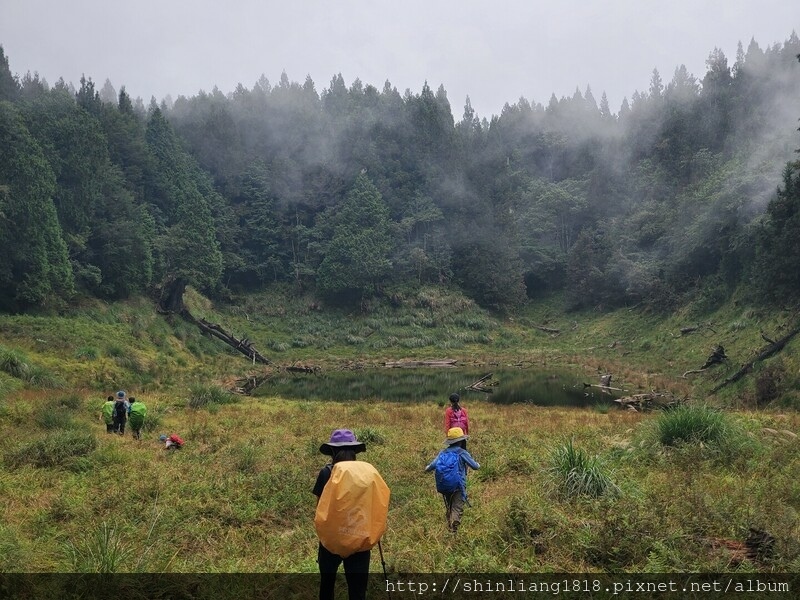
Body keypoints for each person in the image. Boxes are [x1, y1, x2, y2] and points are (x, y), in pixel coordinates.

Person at [312, 429, 370, 600]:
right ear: (355, 452)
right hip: (359, 538)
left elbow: (319, 509)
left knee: (327, 585)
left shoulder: (326, 473)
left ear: (332, 451)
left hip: (331, 540)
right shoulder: (365, 474)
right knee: (358, 591)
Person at [425, 426, 480, 533]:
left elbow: (432, 466)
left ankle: (450, 529)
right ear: (461, 441)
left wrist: (425, 469)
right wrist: (478, 464)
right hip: (458, 485)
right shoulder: (461, 452)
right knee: (457, 507)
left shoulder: (443, 452)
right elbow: (475, 466)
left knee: (450, 506)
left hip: (445, 485)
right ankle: (453, 527)